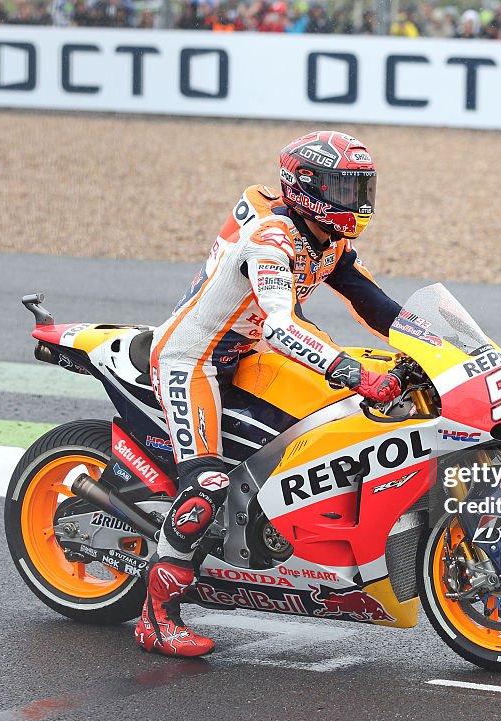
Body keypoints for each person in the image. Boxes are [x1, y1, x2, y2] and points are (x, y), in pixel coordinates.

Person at [136, 131, 403, 657]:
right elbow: (282, 325)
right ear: (306, 189)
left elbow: (376, 305)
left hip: (247, 350)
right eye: (344, 190)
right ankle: (156, 616)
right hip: (194, 358)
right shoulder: (272, 238)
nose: (356, 202)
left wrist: (433, 347)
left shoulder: (329, 237)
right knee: (207, 484)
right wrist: (349, 369)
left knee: (331, 421)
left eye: (360, 189)